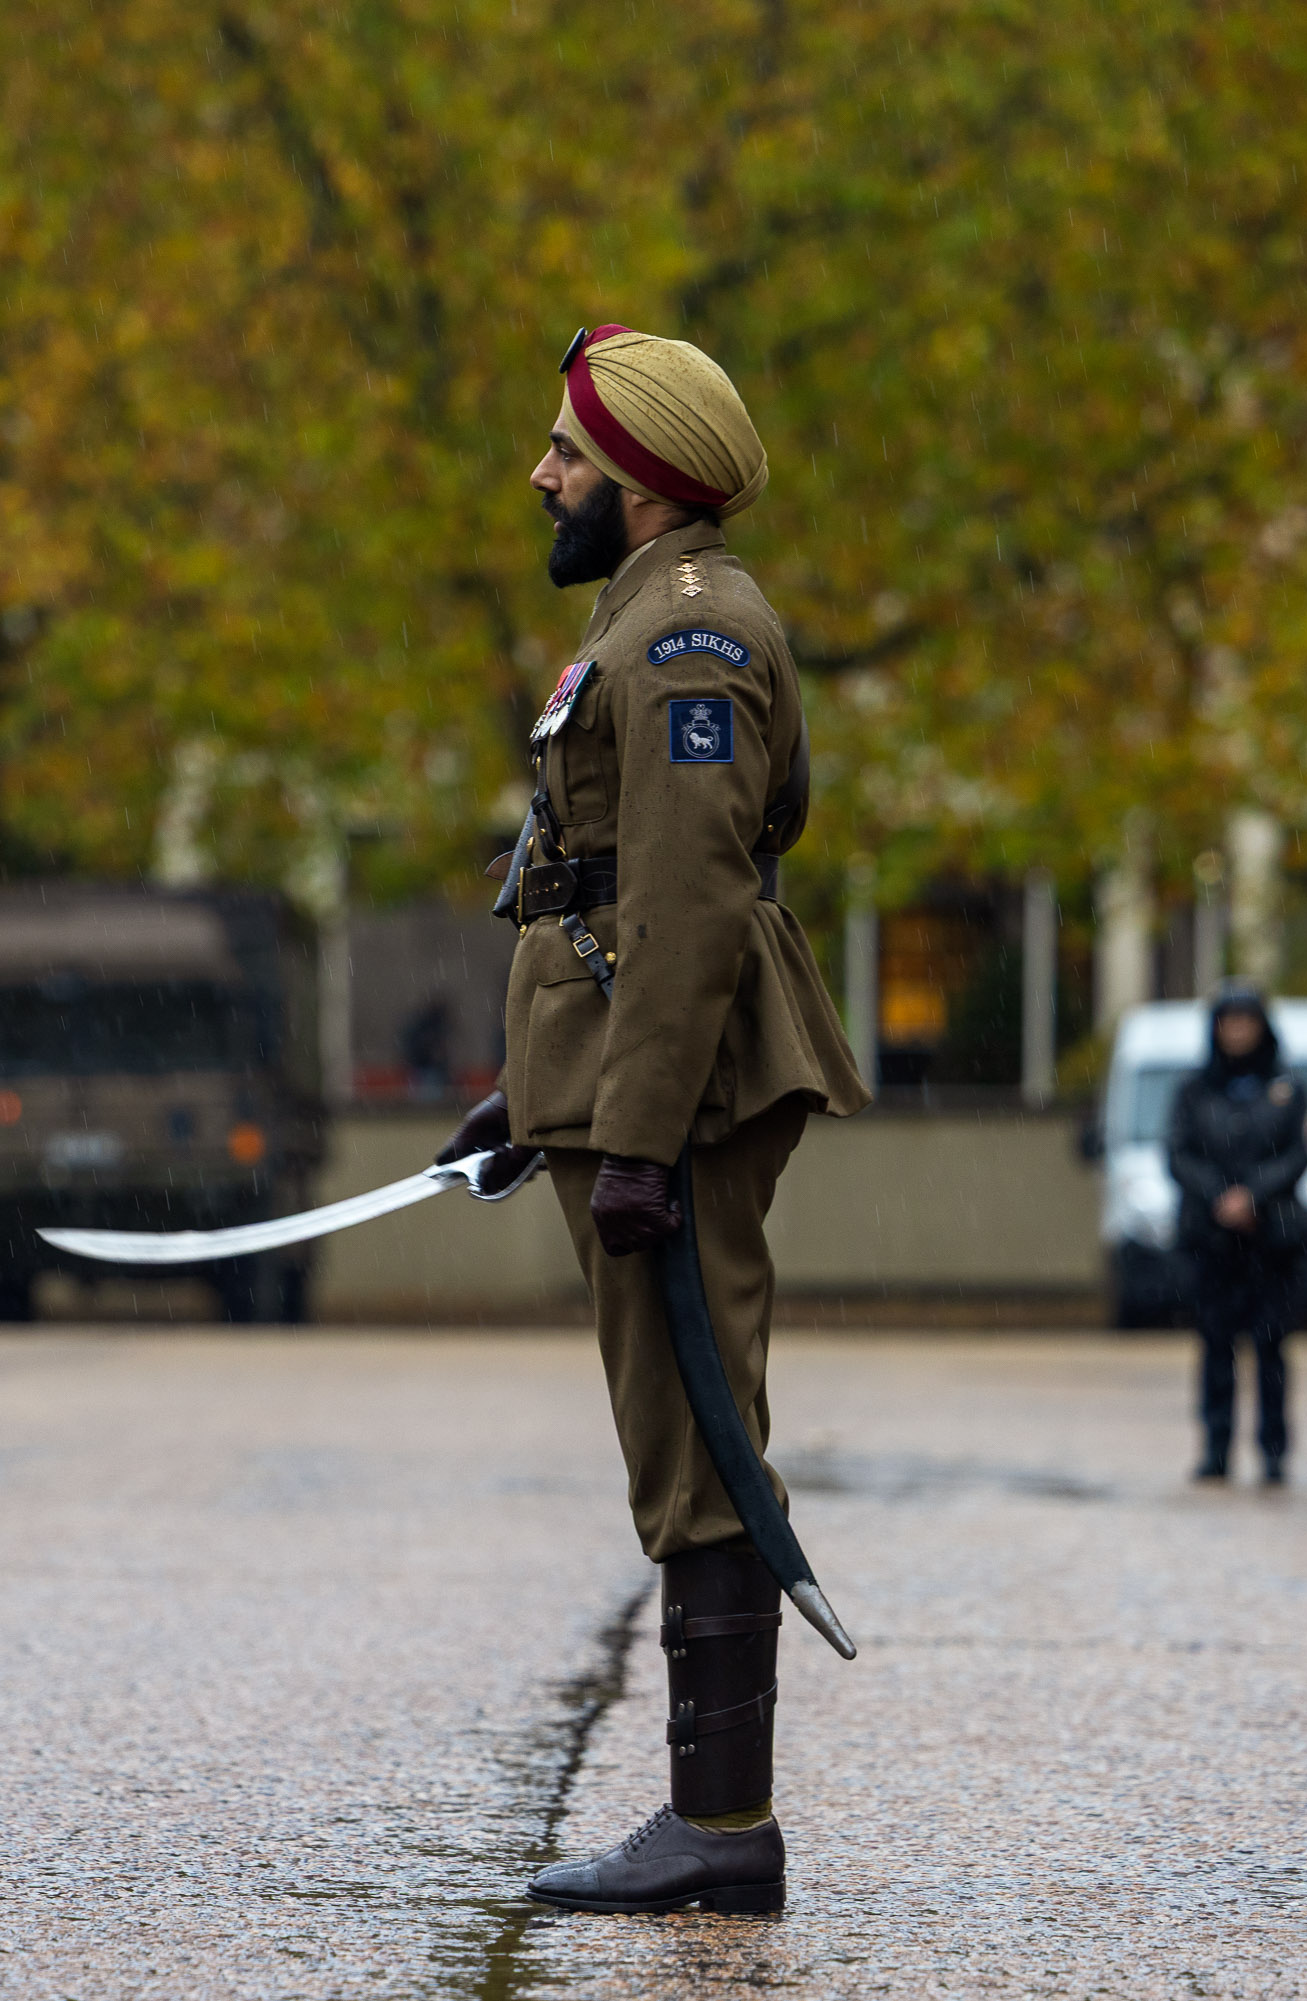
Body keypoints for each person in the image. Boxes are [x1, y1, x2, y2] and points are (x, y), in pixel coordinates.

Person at [435, 323, 864, 1915]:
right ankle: (713, 1815)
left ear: (639, 484)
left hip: (671, 1089)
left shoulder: (689, 637)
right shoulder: (640, 621)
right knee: (673, 1427)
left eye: (566, 453)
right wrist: (541, 1100)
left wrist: (631, 1135)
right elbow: (606, 890)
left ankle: (723, 1827)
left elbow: (681, 909)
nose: (542, 474)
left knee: (696, 1435)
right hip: (628, 1074)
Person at [1168, 984, 1307, 1487]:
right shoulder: (1194, 1089)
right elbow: (1179, 1153)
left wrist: (1254, 1195)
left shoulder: (1287, 1087)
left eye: (1246, 1021)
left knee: (1271, 1347)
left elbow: (1299, 1153)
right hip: (1211, 1239)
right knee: (1214, 1345)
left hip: (1269, 1239)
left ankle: (1273, 1449)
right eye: (1228, 1022)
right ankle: (1216, 1444)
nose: (1237, 1032)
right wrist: (1219, 1197)